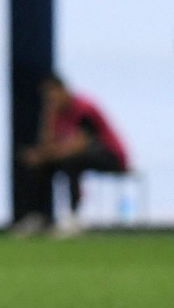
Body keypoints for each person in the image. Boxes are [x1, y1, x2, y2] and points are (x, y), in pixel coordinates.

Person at [21, 72, 129, 235]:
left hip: (110, 155)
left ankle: (73, 216)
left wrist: (43, 156)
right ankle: (38, 216)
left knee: (72, 162)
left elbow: (79, 146)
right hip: (76, 155)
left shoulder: (84, 108)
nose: (50, 99)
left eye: (52, 93)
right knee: (40, 166)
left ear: (63, 89)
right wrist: (48, 116)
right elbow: (47, 145)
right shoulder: (55, 112)